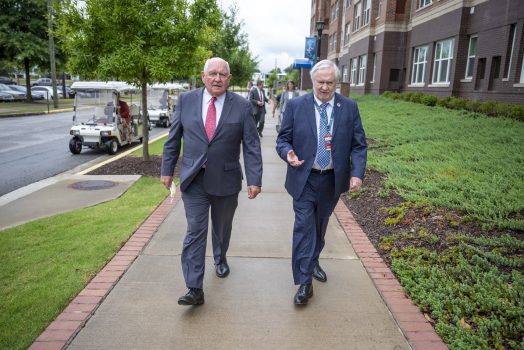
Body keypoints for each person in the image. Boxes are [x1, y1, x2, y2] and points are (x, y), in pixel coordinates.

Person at [161, 57, 263, 306]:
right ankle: (194, 287)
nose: (217, 78)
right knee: (195, 231)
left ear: (229, 79)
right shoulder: (186, 101)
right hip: (194, 179)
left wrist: (254, 179)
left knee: (221, 227)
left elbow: (251, 144)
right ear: (203, 75)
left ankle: (220, 256)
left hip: (226, 180)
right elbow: (174, 138)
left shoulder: (241, 105)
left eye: (222, 74)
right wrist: (167, 170)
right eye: (212, 73)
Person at [275, 59, 367, 305]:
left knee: (320, 226)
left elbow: (359, 145)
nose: (325, 87)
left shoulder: (348, 107)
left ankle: (312, 259)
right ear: (313, 82)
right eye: (320, 82)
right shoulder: (296, 106)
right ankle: (304, 282)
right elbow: (283, 139)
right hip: (304, 178)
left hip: (332, 181)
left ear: (336, 83)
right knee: (304, 227)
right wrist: (288, 153)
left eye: (330, 82)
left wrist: (356, 173)